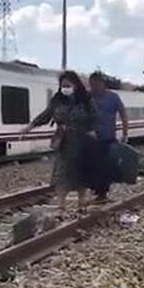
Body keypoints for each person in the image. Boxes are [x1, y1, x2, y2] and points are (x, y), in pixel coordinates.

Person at [21, 71, 96, 216]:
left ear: (75, 85)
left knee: (81, 172)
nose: (65, 88)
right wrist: (30, 126)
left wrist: (93, 131)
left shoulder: (86, 100)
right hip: (64, 141)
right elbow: (46, 115)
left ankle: (81, 203)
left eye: (68, 85)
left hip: (83, 141)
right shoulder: (57, 99)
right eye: (63, 85)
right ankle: (61, 205)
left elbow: (94, 117)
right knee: (62, 174)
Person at [88, 71, 129, 203]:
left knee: (107, 165)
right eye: (91, 84)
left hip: (108, 137)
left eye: (95, 84)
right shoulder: (88, 97)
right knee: (93, 166)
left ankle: (102, 192)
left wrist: (125, 132)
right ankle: (98, 191)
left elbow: (123, 114)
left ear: (102, 83)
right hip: (91, 139)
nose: (93, 87)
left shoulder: (113, 97)